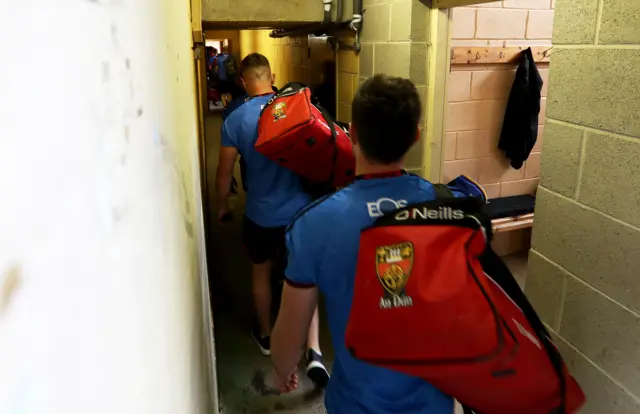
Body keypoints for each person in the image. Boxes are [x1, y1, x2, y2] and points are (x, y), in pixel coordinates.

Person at [271, 75, 458, 412]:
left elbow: (289, 334)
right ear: (416, 136)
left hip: (356, 404)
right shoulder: (447, 207)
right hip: (433, 402)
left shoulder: (312, 225)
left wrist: (283, 370)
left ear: (352, 132)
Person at [215, 53, 330, 388]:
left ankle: (266, 335)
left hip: (261, 216)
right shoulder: (294, 108)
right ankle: (315, 350)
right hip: (301, 213)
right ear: (273, 76)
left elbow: (224, 175)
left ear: (244, 82)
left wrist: (221, 206)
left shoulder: (235, 119)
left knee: (261, 273)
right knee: (304, 278)